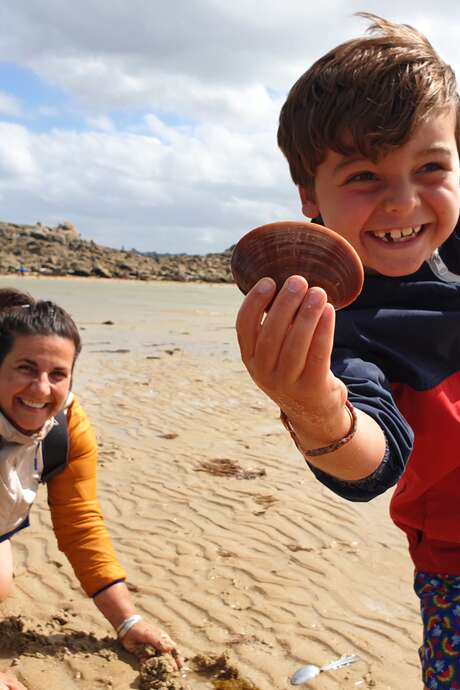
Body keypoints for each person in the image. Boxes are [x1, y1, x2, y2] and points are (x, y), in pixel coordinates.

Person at [235, 13, 460, 690]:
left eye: (431, 167)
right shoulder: (346, 321)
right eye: (364, 176)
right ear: (310, 196)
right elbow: (374, 457)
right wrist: (317, 412)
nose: (403, 201)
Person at [0, 288, 182, 690]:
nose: (41, 389)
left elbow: (80, 523)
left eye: (58, 374)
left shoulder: (66, 427)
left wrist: (127, 620)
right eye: (26, 368)